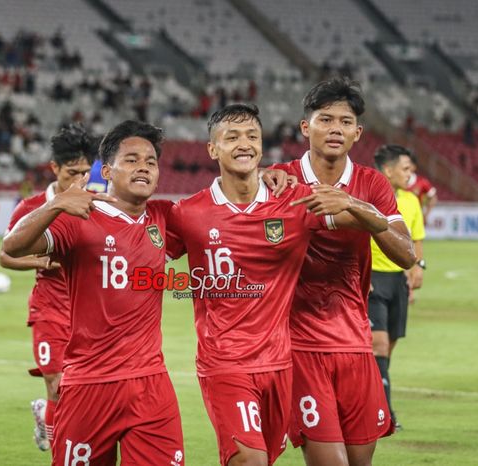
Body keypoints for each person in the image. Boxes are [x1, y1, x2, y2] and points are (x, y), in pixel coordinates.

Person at [166, 103, 389, 466]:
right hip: (225, 362)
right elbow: (141, 256)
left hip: (279, 365)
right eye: (232, 137)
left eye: (252, 136)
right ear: (212, 149)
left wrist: (360, 208)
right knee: (249, 461)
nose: (244, 143)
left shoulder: (294, 202)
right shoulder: (186, 213)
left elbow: (373, 231)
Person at [2, 121, 185, 465]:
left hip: (151, 385)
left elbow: (223, 213)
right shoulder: (79, 216)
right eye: (131, 159)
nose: (143, 166)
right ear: (108, 170)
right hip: (90, 384)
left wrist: (264, 178)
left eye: (151, 161)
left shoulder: (165, 218)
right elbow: (12, 246)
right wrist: (54, 206)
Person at [269, 77, 416, 466]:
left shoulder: (371, 184)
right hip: (300, 346)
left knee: (359, 462)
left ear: (357, 132)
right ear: (306, 127)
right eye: (325, 119)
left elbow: (405, 254)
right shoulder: (278, 180)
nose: (335, 129)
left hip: (355, 342)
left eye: (345, 122)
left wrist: (353, 206)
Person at [0, 123, 96, 452]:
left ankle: (46, 414)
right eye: (72, 172)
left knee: (79, 391)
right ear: (55, 168)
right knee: (57, 383)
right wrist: (36, 263)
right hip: (49, 309)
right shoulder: (31, 208)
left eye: (86, 172)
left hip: (86, 312)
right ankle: (60, 453)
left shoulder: (95, 204)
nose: (79, 180)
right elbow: (4, 256)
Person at [369, 144, 426, 431]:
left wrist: (418, 267)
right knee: (377, 345)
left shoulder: (412, 201)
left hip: (397, 282)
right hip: (371, 278)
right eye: (405, 169)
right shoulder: (367, 196)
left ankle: (372, 402)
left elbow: (416, 239)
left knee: (386, 351)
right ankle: (385, 414)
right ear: (388, 170)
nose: (410, 174)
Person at [406, 154, 438, 224]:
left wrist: (426, 214)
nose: (405, 167)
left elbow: (433, 198)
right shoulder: (395, 181)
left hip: (416, 219)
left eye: (408, 164)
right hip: (399, 218)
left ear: (414, 167)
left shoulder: (422, 182)